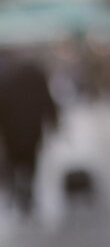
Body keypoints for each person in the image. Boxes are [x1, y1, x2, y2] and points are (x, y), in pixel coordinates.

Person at [0, 53, 59, 215]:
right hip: (32, 127)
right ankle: (26, 192)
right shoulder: (34, 73)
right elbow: (47, 99)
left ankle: (18, 192)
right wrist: (54, 121)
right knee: (29, 161)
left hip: (10, 129)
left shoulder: (4, 77)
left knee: (14, 160)